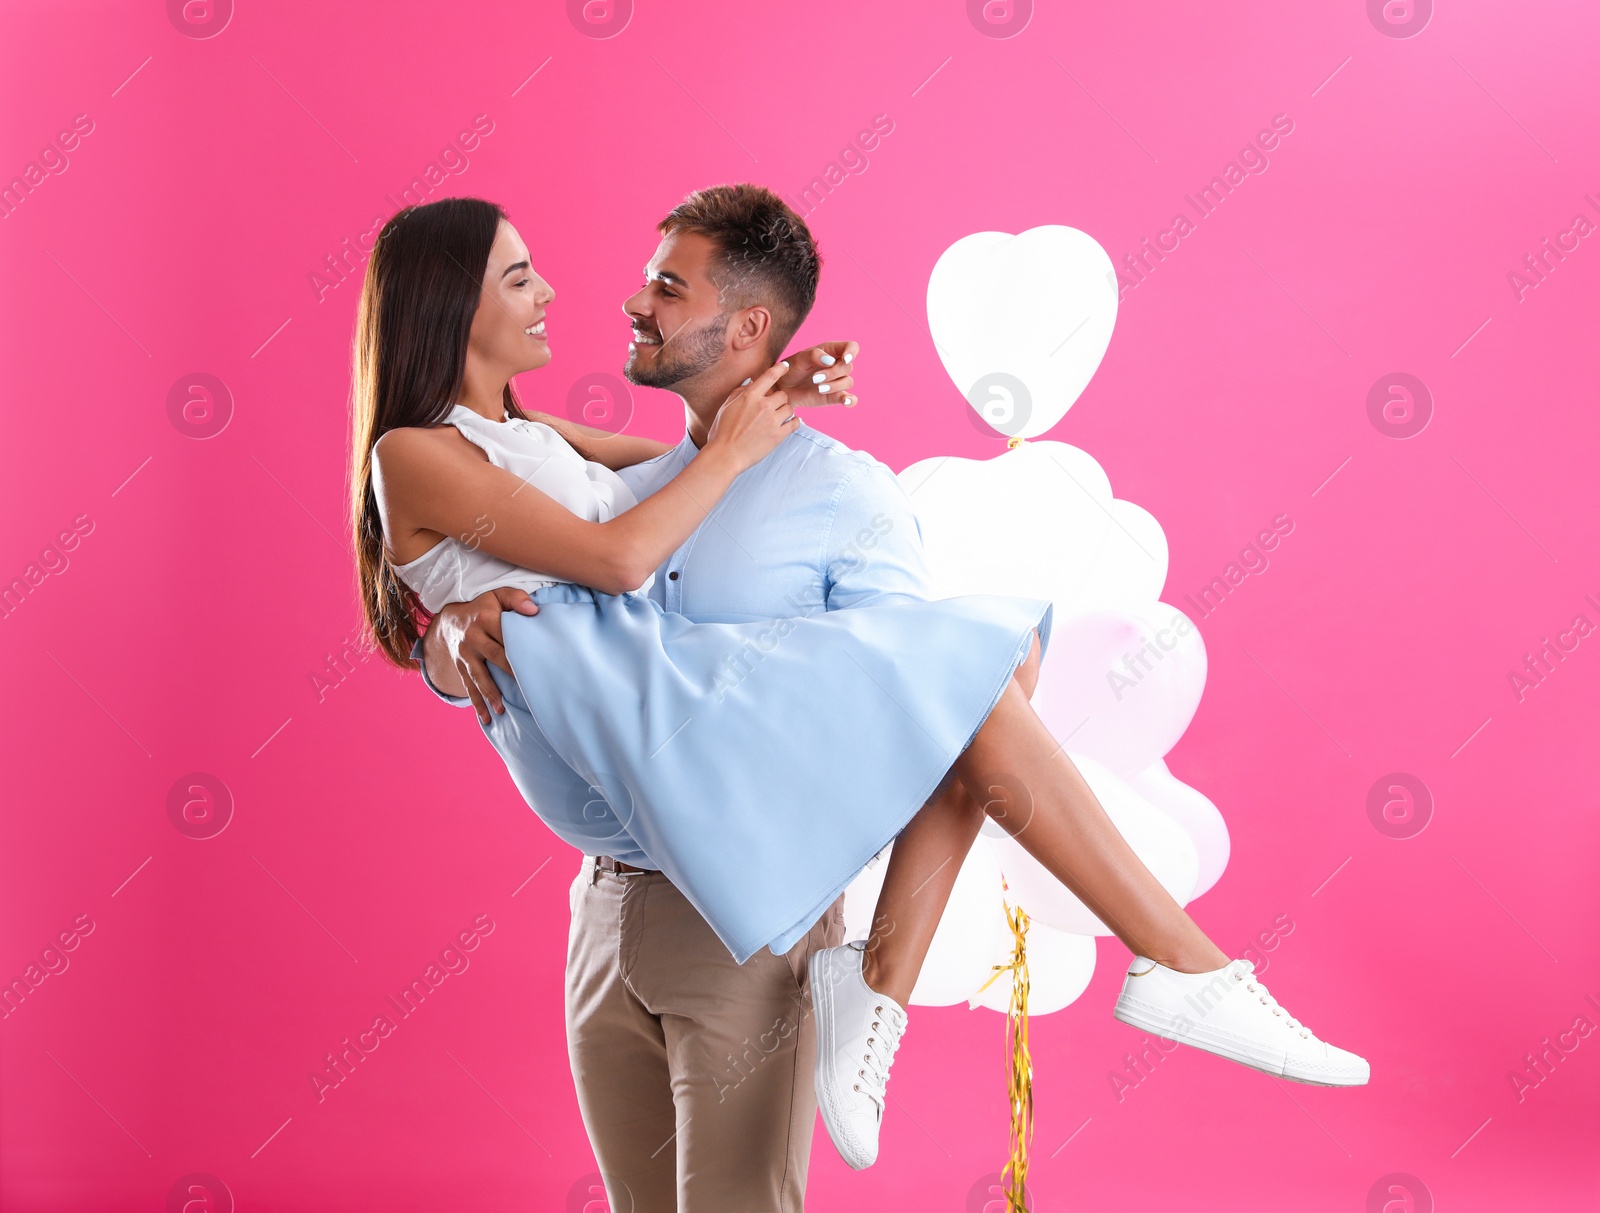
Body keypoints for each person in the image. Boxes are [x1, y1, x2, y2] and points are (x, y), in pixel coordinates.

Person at [355, 187, 1370, 1204]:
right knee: (974, 666)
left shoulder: (552, 443)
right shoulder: (418, 454)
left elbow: (677, 466)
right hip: (627, 814)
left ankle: (1129, 968)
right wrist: (443, 634)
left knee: (974, 671)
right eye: (520, 276)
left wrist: (765, 398)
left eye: (665, 283)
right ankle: (1134, 972)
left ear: (744, 326)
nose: (567, 293)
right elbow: (623, 552)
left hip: (721, 842)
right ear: (450, 303)